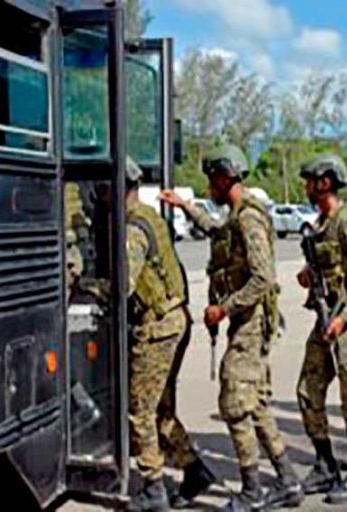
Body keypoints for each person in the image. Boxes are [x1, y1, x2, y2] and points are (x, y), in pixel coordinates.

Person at [159, 145, 302, 512]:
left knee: (235, 404)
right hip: (245, 321)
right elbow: (216, 231)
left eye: (212, 180)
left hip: (251, 323)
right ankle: (287, 480)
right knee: (255, 404)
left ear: (225, 177)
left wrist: (223, 309)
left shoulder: (249, 219)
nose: (209, 187)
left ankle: (253, 490)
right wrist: (184, 206)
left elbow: (263, 278)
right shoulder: (234, 216)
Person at [124, 157, 214, 512]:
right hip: (175, 319)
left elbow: (124, 285)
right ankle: (194, 469)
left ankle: (153, 488)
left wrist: (89, 286)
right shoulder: (150, 216)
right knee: (161, 408)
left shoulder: (133, 230)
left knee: (140, 410)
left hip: (158, 328)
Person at [295, 153, 347, 504]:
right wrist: (307, 274)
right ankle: (325, 463)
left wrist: (344, 317)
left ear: (325, 182)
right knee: (307, 390)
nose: (306, 187)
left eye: (310, 181)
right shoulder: (319, 225)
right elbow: (327, 268)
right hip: (324, 319)